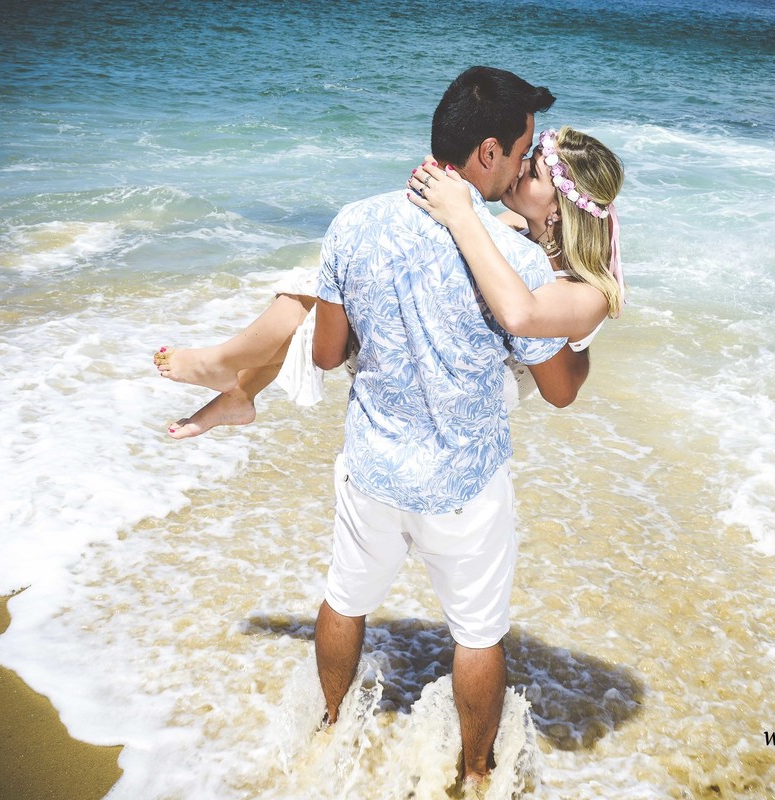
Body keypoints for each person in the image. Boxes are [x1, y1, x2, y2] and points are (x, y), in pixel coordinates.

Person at [310, 66, 588, 791]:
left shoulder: (353, 221)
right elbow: (560, 391)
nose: (528, 167)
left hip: (373, 466)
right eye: (524, 154)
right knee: (477, 634)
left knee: (345, 598)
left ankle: (332, 725)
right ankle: (474, 771)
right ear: (488, 153)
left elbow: (325, 352)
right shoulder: (518, 262)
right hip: (464, 485)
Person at [152, 132, 624, 437]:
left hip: (490, 381)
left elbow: (532, 337)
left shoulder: (587, 290)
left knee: (324, 296)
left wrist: (459, 212)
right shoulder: (518, 227)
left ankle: (221, 366)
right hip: (470, 349)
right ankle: (239, 391)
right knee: (331, 281)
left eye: (534, 169)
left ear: (560, 210)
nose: (519, 167)